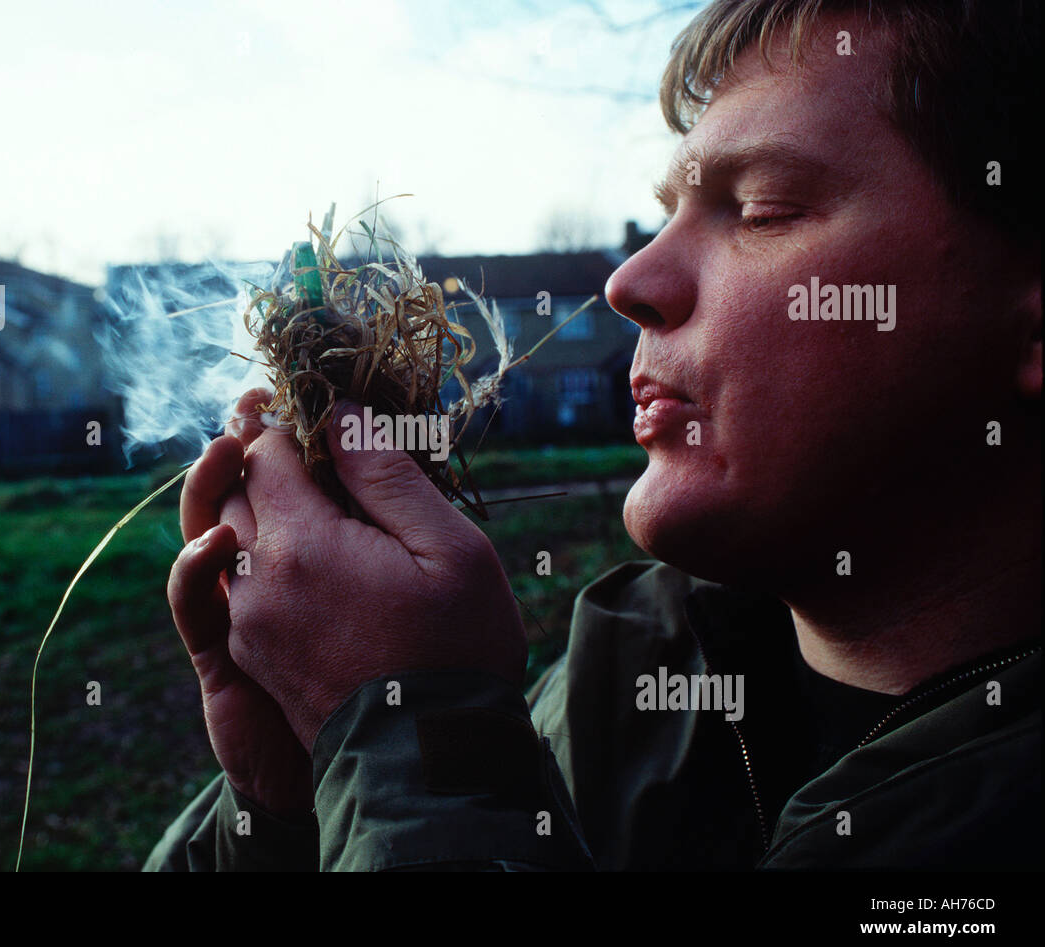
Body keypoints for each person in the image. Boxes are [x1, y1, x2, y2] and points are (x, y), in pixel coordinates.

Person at [146, 0, 1040, 871]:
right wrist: (293, 807)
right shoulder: (632, 680)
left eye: (763, 208)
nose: (630, 280)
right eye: (665, 216)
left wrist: (405, 732)